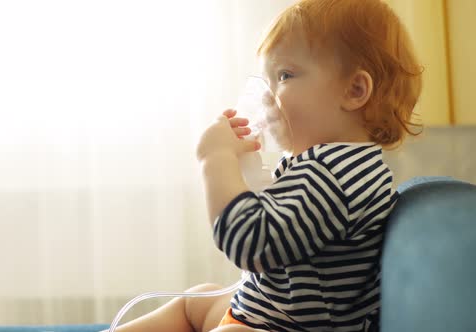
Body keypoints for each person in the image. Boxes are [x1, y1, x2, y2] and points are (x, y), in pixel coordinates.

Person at [109, 0, 422, 331]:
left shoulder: (336, 174)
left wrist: (215, 160)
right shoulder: (325, 163)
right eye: (267, 78)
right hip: (261, 314)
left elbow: (251, 243)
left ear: (354, 90)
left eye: (284, 75)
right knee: (196, 299)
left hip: (288, 327)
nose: (264, 96)